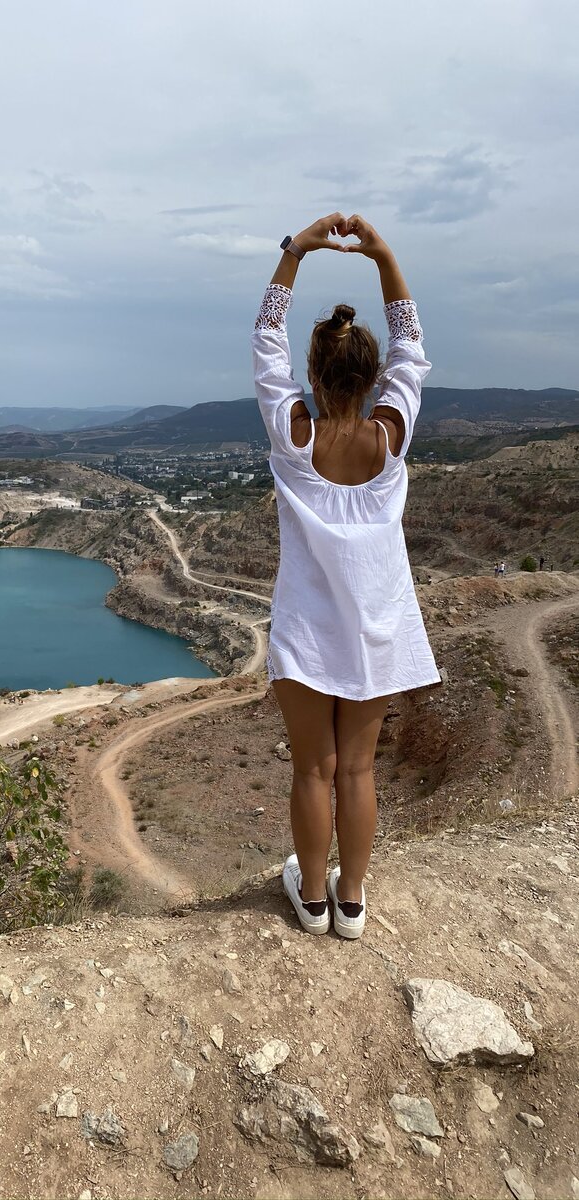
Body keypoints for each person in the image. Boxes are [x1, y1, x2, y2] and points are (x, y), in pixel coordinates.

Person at [253, 213, 440, 940]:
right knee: (358, 771)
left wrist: (297, 250)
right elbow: (412, 347)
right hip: (378, 625)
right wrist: (384, 254)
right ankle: (352, 901)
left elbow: (265, 338)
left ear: (313, 373)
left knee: (314, 770)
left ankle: (309, 896)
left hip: (305, 628)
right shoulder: (390, 437)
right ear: (372, 378)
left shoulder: (293, 435)